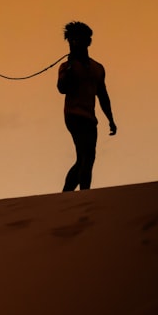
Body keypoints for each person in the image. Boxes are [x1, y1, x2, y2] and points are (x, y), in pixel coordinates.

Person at [57, 21, 117, 191]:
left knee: (84, 158)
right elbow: (62, 89)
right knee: (87, 156)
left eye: (79, 39)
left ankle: (67, 194)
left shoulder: (98, 68)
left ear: (88, 41)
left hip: (90, 117)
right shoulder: (66, 66)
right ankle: (84, 195)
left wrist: (110, 119)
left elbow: (103, 95)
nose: (75, 43)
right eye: (72, 40)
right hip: (73, 115)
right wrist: (69, 67)